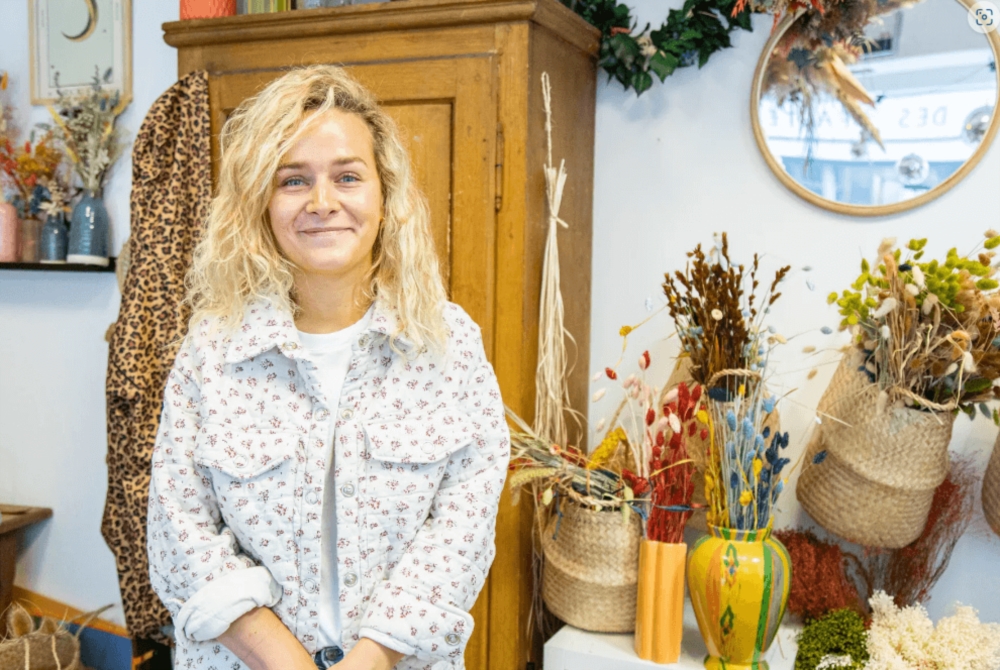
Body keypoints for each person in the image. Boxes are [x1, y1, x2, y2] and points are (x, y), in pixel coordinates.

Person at [146, 65, 510, 670]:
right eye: (293, 180)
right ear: (261, 202)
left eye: (347, 176)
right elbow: (178, 529)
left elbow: (462, 530)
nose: (322, 203)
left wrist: (372, 659)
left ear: (384, 194)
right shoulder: (211, 350)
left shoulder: (448, 344)